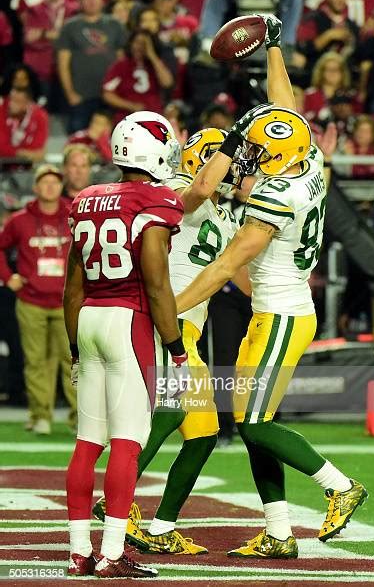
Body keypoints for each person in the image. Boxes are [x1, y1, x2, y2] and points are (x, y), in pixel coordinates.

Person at [176, 15, 368, 558]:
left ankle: (339, 485)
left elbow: (220, 270)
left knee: (253, 422)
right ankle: (279, 531)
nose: (250, 162)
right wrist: (275, 49)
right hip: (276, 309)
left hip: (282, 313)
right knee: (256, 420)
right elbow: (287, 110)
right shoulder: (308, 156)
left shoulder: (274, 199)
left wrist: (166, 306)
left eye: (257, 156)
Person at [92, 127, 248, 554]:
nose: (236, 167)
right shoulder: (176, 189)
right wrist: (231, 144)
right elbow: (197, 188)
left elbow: (246, 283)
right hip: (168, 322)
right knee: (169, 409)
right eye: (228, 159)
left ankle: (161, 528)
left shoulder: (226, 215)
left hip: (190, 329)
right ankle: (113, 497)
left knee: (202, 435)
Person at [64, 111, 185, 578]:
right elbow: (156, 286)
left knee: (86, 444)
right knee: (127, 445)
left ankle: (78, 553)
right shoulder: (155, 200)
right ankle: (112, 553)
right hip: (128, 321)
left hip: (90, 318)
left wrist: (75, 346)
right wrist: (174, 347)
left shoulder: (88, 198)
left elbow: (72, 288)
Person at [0, 164, 76, 434]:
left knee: (73, 360)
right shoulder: (19, 220)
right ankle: (40, 415)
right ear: (35, 187)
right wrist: (9, 278)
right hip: (31, 301)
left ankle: (79, 417)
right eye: (44, 182)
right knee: (36, 361)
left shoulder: (73, 215)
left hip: (67, 301)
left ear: (60, 186)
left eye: (55, 182)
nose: (50, 187)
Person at [57, 0, 127, 133]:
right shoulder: (70, 27)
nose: (92, 1)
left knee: (113, 140)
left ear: (103, 0)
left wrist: (121, 93)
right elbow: (63, 64)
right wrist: (70, 94)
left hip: (110, 96)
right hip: (81, 96)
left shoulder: (115, 25)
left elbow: (123, 61)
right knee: (79, 140)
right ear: (80, 1)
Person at [102, 29, 174, 124]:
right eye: (137, 42)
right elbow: (107, 94)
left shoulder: (156, 65)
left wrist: (152, 55)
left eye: (144, 44)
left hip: (153, 119)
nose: (139, 47)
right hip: (126, 120)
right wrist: (131, 106)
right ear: (131, 43)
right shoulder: (120, 66)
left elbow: (167, 83)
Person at [0, 87, 49, 164]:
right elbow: (1, 147)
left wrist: (13, 150)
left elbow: (38, 147)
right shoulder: (2, 112)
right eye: (11, 99)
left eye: (17, 101)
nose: (11, 104)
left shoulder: (40, 116)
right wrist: (21, 152)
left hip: (28, 166)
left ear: (27, 104)